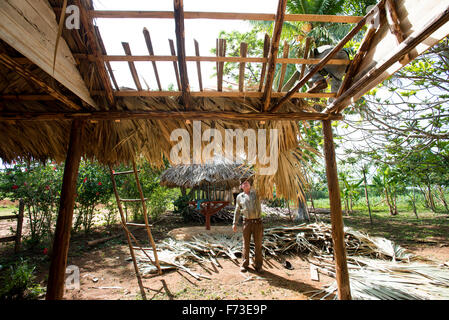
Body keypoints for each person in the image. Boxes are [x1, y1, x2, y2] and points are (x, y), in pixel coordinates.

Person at [232, 178, 263, 273]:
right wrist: (234, 223)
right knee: (246, 244)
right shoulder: (239, 197)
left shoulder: (257, 194)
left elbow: (265, 189)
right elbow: (237, 211)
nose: (245, 184)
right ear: (241, 186)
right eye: (243, 183)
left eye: (247, 183)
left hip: (257, 223)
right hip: (247, 223)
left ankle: (258, 265)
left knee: (258, 244)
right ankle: (245, 265)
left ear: (250, 185)